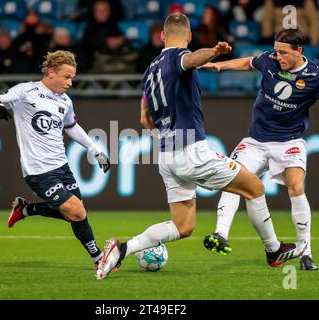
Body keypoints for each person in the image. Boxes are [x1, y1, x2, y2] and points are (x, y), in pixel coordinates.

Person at [96, 13, 306, 280]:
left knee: (183, 226)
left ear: (162, 36)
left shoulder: (150, 69)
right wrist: (214, 51)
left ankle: (121, 250)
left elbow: (144, 118)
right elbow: (190, 59)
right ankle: (273, 250)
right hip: (191, 151)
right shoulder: (179, 57)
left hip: (166, 156)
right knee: (254, 187)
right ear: (189, 37)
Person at [201, 28, 319, 270]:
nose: (278, 57)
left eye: (284, 53)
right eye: (276, 51)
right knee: (233, 179)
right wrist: (220, 66)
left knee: (297, 186)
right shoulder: (270, 59)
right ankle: (220, 234)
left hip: (289, 142)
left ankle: (305, 252)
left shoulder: (314, 78)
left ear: (300, 51)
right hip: (255, 141)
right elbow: (249, 62)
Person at [0, 50, 111, 269]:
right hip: (38, 170)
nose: (70, 82)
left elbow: (71, 127)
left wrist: (94, 149)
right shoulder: (26, 91)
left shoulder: (65, 101)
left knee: (74, 213)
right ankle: (99, 259)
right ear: (51, 72)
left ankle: (26, 210)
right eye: (67, 77)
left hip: (62, 166)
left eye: (72, 78)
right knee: (78, 212)